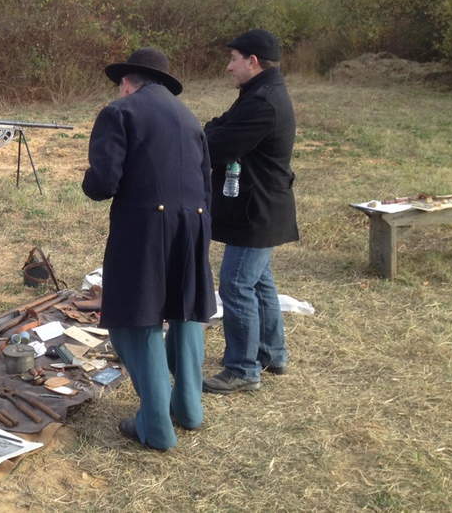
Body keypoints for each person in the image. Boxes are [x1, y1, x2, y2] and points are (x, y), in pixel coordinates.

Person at [82, 48, 216, 451]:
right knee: (184, 310)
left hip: (145, 228)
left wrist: (88, 178)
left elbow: (103, 183)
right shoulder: (189, 117)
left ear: (129, 81)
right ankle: (189, 409)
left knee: (135, 322)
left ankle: (156, 427)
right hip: (194, 223)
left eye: (121, 83)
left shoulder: (119, 112)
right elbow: (206, 184)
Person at [202, 29, 299, 394]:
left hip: (258, 210)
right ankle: (271, 353)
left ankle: (243, 369)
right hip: (261, 207)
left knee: (236, 283)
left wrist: (213, 133)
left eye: (233, 59)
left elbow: (218, 145)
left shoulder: (263, 102)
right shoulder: (258, 93)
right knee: (259, 282)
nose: (229, 67)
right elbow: (219, 126)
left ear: (252, 62)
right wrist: (214, 130)